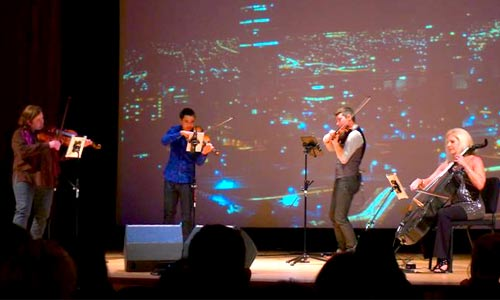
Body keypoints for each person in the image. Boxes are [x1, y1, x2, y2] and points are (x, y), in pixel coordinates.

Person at [409, 127, 486, 273]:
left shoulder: (474, 160)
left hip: (473, 206)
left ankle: (443, 261)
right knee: (432, 212)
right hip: (455, 207)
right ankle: (430, 253)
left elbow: (480, 184)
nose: (449, 145)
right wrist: (419, 182)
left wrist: (465, 166)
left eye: (453, 141)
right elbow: (429, 182)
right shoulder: (446, 165)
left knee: (444, 213)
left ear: (462, 142)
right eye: (447, 142)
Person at [161, 107, 214, 241]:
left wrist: (204, 153)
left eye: (192, 122)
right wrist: (181, 133)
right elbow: (164, 140)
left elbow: (198, 161)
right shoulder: (175, 130)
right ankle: (167, 243)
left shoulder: (196, 137)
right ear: (181, 121)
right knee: (169, 213)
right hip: (170, 178)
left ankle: (186, 245)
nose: (189, 125)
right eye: (186, 121)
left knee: (187, 216)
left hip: (186, 180)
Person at [11, 105, 62, 240]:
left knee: (42, 215)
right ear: (29, 121)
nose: (42, 122)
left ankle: (34, 246)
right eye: (38, 119)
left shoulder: (45, 137)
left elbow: (52, 158)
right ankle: (16, 245)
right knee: (23, 211)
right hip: (25, 176)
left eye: (43, 118)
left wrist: (74, 150)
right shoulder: (19, 134)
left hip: (44, 178)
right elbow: (23, 151)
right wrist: (48, 145)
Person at [322, 106, 366, 253]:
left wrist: (334, 142)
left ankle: (351, 249)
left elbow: (343, 157)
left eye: (339, 119)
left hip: (348, 179)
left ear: (349, 118)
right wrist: (329, 140)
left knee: (340, 216)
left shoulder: (355, 135)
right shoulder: (347, 134)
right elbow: (331, 150)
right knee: (333, 216)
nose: (337, 123)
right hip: (341, 178)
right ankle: (341, 249)